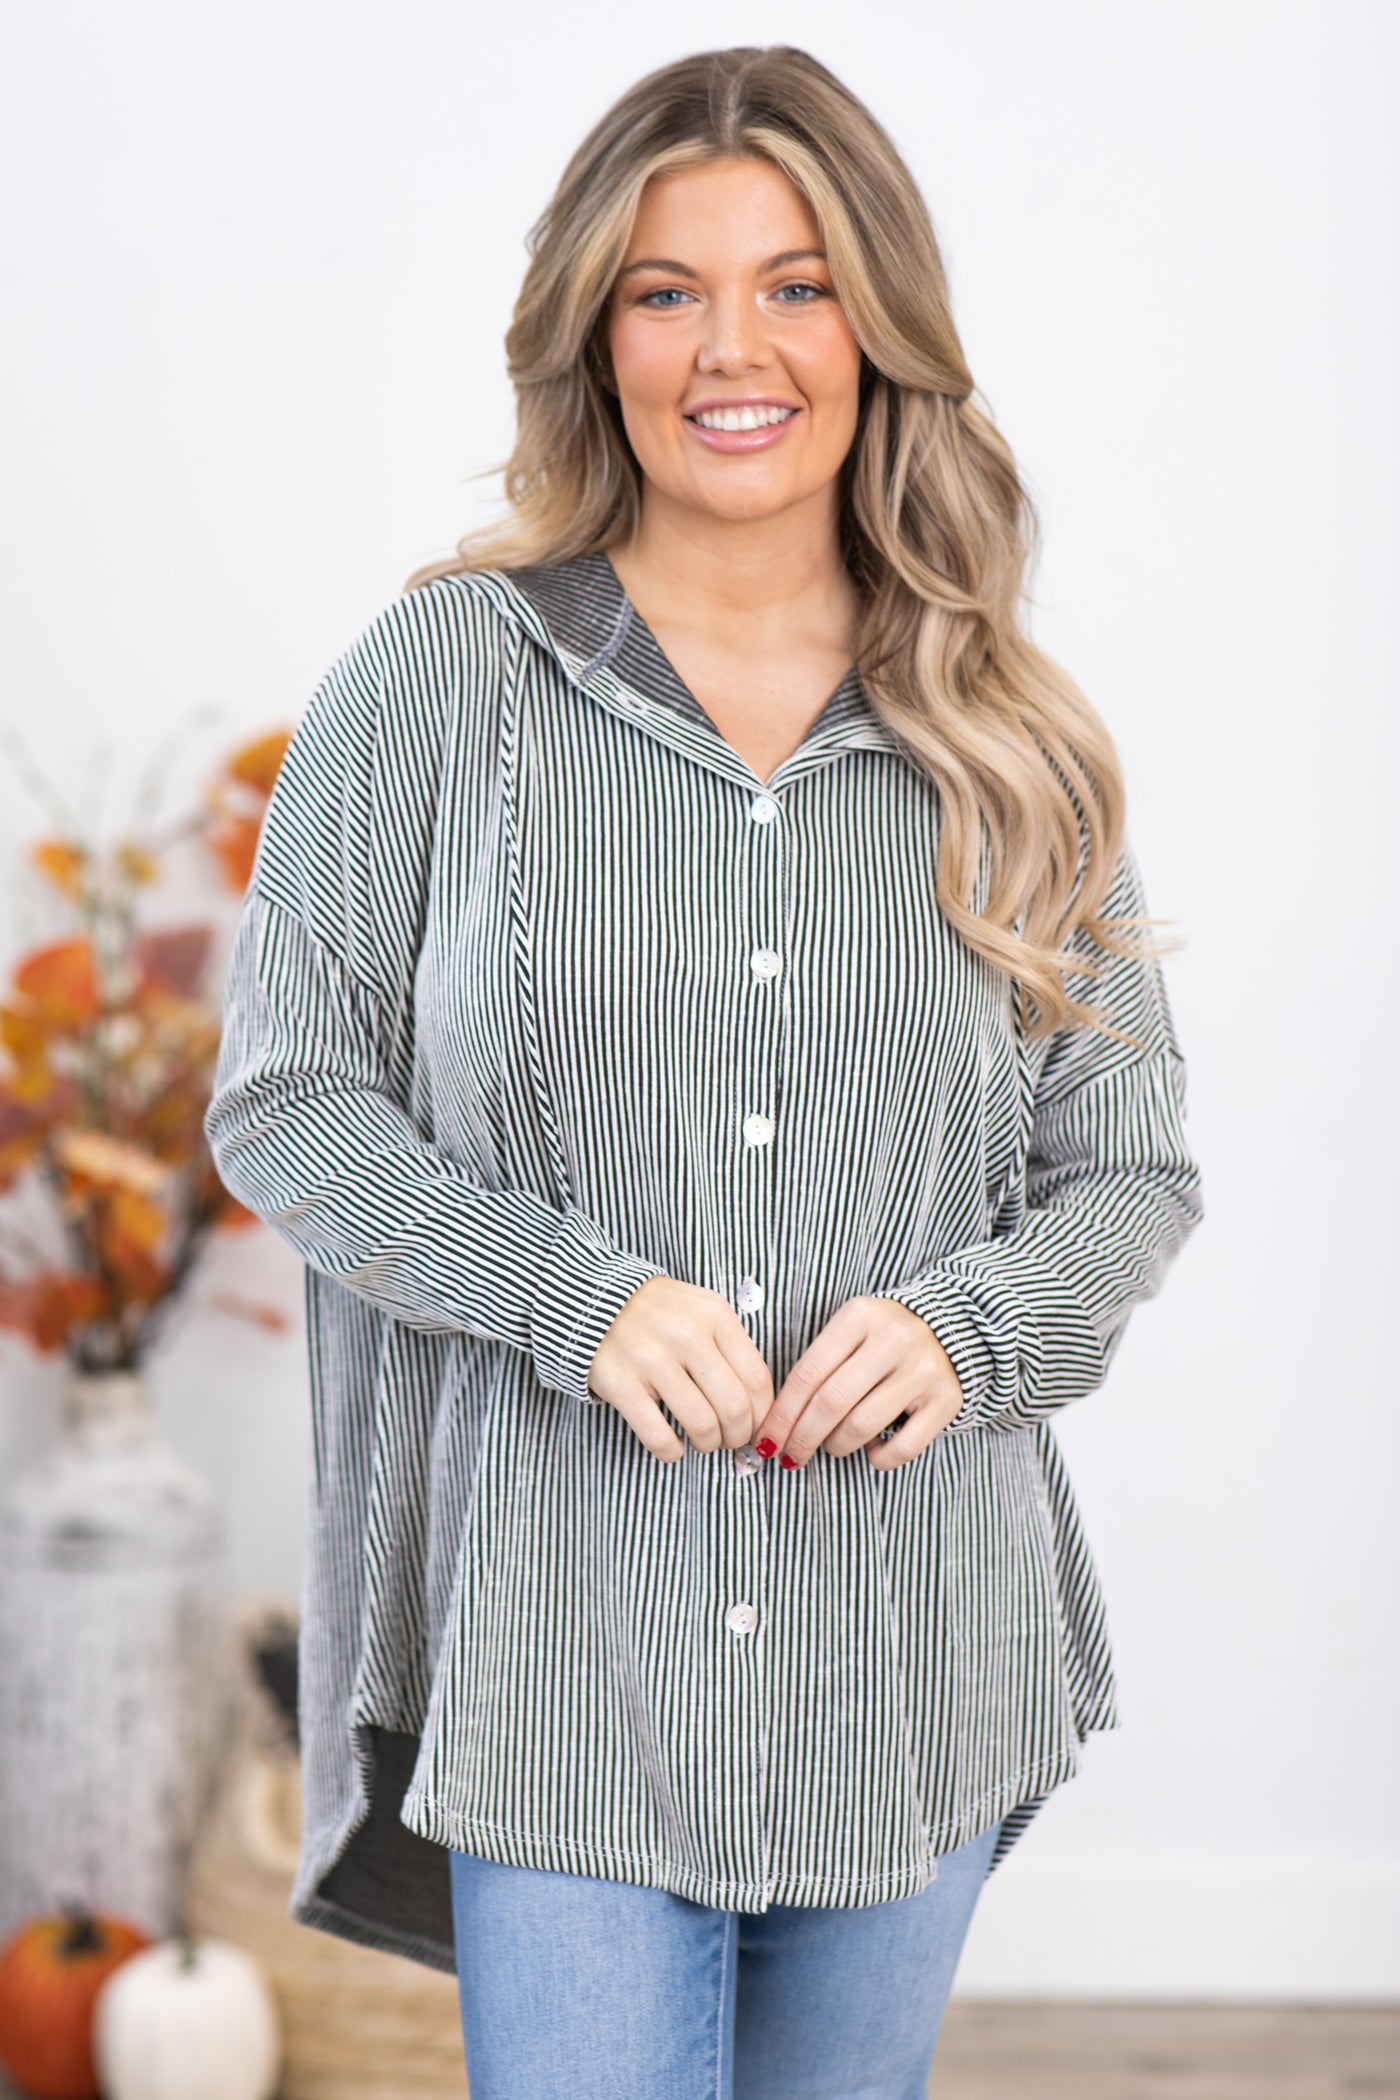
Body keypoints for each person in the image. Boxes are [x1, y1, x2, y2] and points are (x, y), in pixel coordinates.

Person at [204, 43, 1204, 2100]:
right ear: (596, 334)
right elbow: (286, 1098)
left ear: (878, 326)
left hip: (910, 1651)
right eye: (668, 290)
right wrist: (568, 1296)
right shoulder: (439, 683)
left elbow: (1128, 1172)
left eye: (796, 284)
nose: (731, 348)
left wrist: (974, 1328)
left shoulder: (1009, 732)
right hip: (563, 1653)